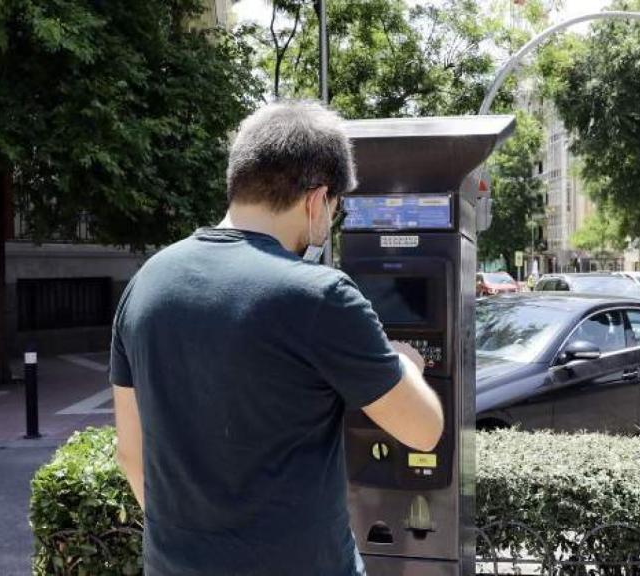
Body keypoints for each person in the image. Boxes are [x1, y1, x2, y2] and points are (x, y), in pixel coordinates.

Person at [110, 101, 444, 576]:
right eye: (334, 210)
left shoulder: (146, 284)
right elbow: (423, 430)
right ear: (316, 200)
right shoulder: (318, 295)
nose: (329, 223)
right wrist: (404, 361)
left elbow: (131, 452)